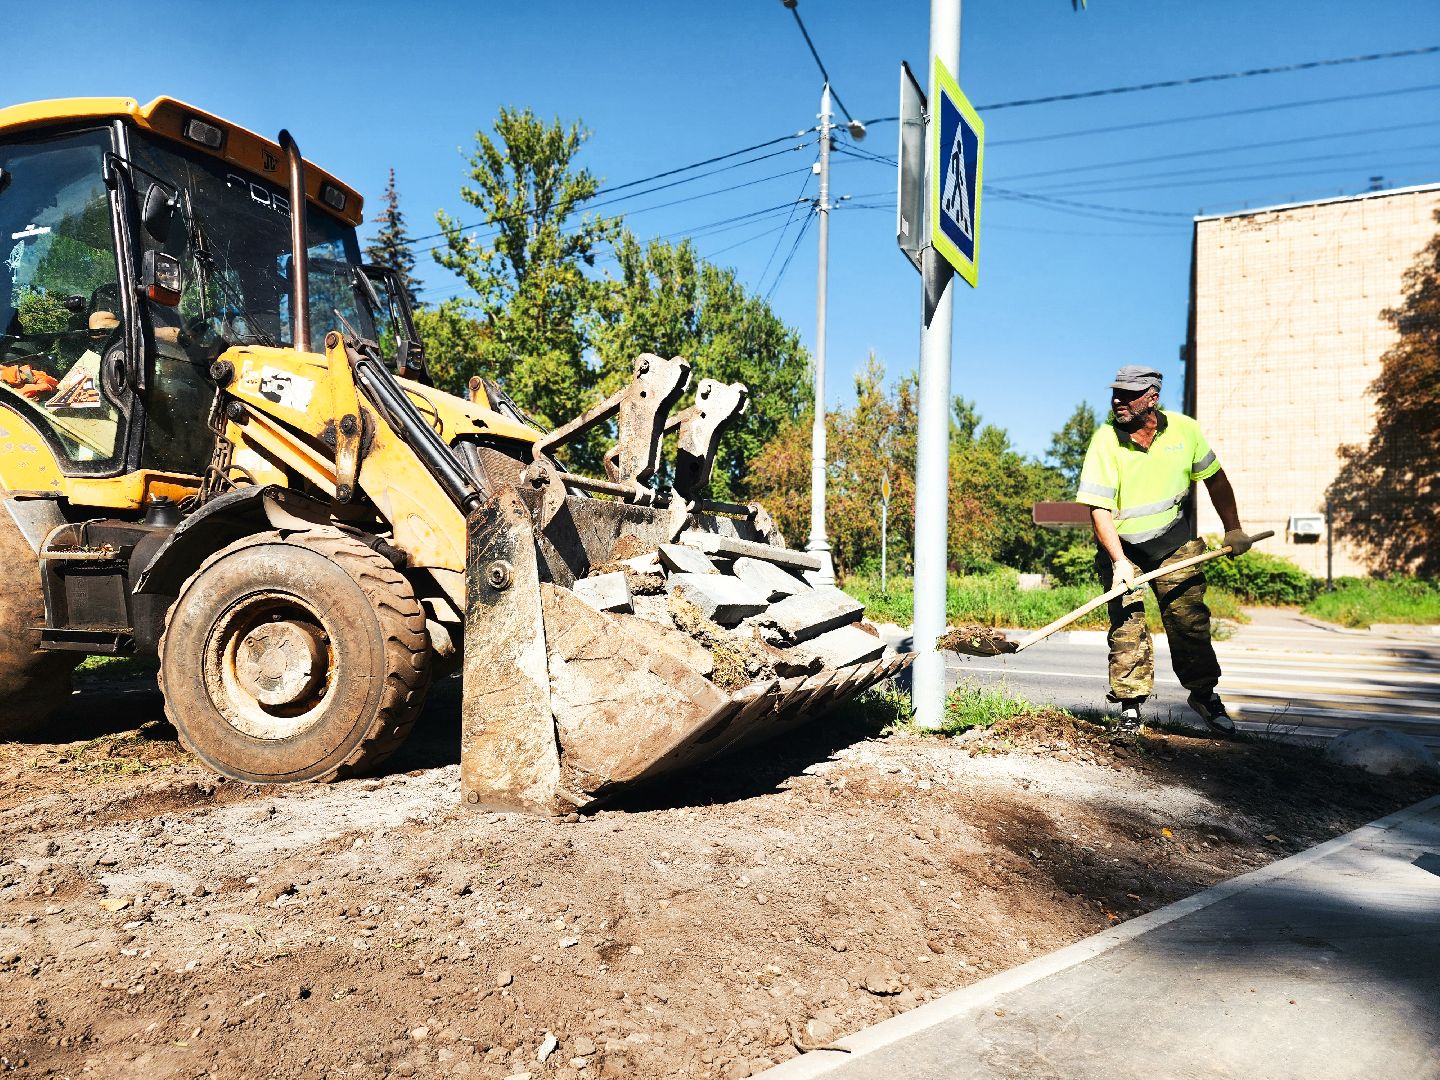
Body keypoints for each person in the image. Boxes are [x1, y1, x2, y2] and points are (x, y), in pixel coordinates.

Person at [1075, 365, 1252, 735]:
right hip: (1122, 549)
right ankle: (1129, 707)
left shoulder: (1186, 431)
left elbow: (1217, 481)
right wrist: (1119, 562)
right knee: (1128, 625)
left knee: (1190, 623)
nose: (1117, 400)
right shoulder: (1106, 440)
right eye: (1115, 393)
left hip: (1174, 542)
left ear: (1152, 398)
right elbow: (1098, 509)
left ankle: (1204, 696)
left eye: (1128, 394)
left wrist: (1233, 528)